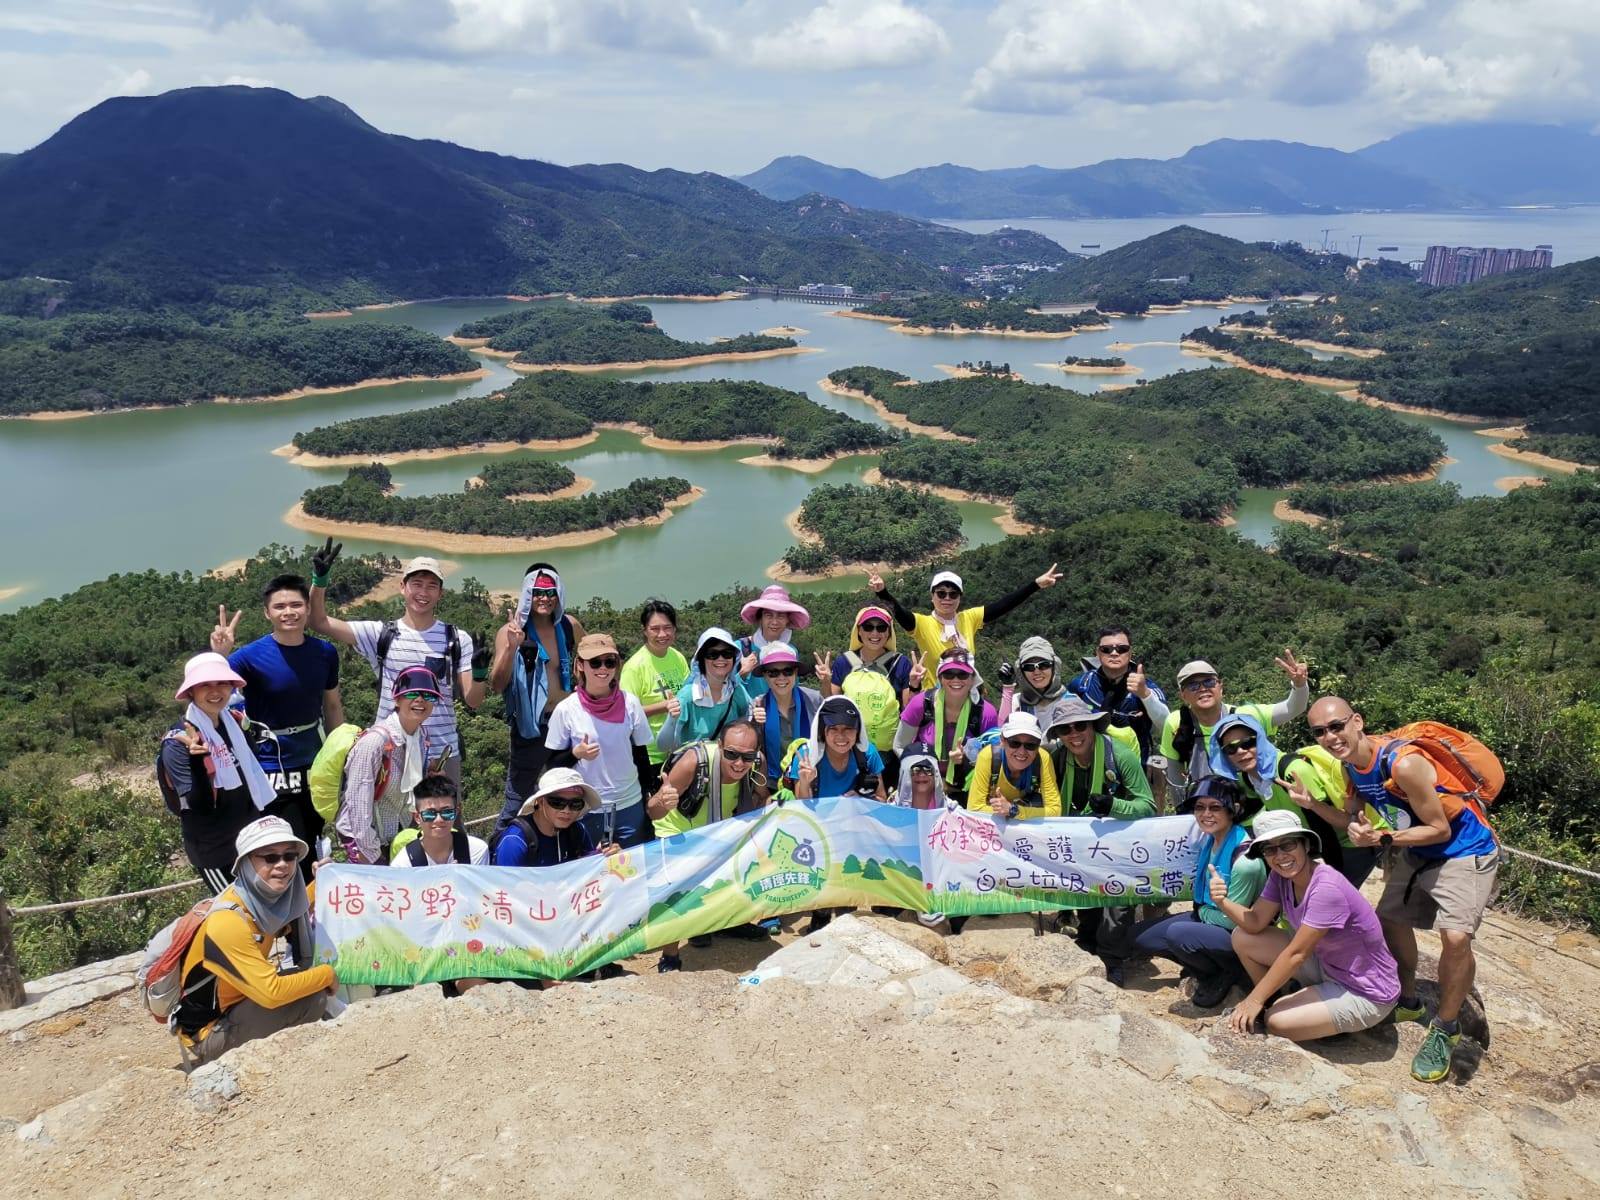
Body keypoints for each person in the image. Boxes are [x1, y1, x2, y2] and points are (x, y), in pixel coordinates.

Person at [1306, 695, 1499, 1083]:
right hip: (1417, 848)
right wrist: (1312, 805)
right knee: (1390, 920)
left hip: (1464, 850)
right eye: (1320, 732)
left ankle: (1446, 1028)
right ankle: (1408, 1001)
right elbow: (1353, 819)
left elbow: (1440, 828)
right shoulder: (1351, 768)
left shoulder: (1404, 764)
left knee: (1457, 938)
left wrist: (1382, 838)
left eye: (1336, 726)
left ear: (1356, 722)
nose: (1330, 737)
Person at [307, 543, 486, 789]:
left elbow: (474, 701)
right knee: (389, 823)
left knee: (445, 824)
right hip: (392, 749)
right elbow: (319, 622)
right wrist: (320, 580)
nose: (423, 592)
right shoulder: (381, 634)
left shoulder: (456, 638)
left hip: (441, 753)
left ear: (441, 594)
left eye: (432, 586)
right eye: (417, 584)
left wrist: (479, 674)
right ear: (402, 587)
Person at [1214, 810, 1401, 1044]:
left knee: (1277, 1023)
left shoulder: (1326, 888)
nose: (1280, 855)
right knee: (1243, 937)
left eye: (1287, 845)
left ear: (1305, 844)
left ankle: (1316, 1020)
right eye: (1270, 849)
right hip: (1326, 963)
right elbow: (1254, 922)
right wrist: (1222, 902)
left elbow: (1297, 954)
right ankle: (1278, 1000)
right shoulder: (1281, 876)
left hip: (1365, 990)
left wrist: (1253, 1000)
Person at [174, 816, 338, 1065]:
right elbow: (271, 993)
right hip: (209, 1034)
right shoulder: (227, 923)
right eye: (270, 857)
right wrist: (326, 975)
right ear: (246, 864)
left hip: (239, 1003)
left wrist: (322, 881)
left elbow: (290, 912)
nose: (282, 865)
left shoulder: (258, 903)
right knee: (312, 997)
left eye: (289, 856)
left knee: (301, 981)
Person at [209, 575, 344, 871]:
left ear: (308, 609)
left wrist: (342, 754)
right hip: (268, 766)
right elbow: (208, 694)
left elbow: (332, 705)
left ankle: (310, 909)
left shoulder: (325, 653)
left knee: (314, 837)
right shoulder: (248, 657)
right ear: (267, 613)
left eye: (296, 604)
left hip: (315, 762)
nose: (288, 612)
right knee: (280, 847)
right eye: (279, 606)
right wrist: (220, 656)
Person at [1036, 694, 1156, 984]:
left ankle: (1113, 960)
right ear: (1059, 735)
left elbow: (1148, 806)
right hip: (1079, 842)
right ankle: (1088, 943)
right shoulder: (1058, 759)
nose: (1074, 734)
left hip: (1119, 842)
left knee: (1116, 903)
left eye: (1080, 726)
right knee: (1084, 896)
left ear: (1092, 726)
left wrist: (1113, 806)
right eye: (1066, 729)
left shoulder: (1121, 755)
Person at [1121, 776, 1266, 1009]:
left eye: (1215, 807)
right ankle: (1204, 963)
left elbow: (1235, 922)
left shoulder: (1245, 861)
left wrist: (1202, 914)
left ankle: (1224, 973)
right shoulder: (1211, 839)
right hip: (1207, 914)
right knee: (1140, 937)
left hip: (1237, 932)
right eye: (1200, 807)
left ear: (1234, 810)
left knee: (1180, 934)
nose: (1205, 814)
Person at [647, 720, 771, 971]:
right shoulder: (693, 762)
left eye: (747, 756)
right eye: (732, 754)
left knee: (733, 876)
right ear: (720, 746)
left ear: (756, 752)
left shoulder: (757, 763)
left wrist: (769, 804)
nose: (739, 763)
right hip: (678, 829)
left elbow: (761, 795)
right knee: (677, 892)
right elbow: (653, 812)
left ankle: (722, 925)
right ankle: (670, 956)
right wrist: (664, 800)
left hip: (718, 827)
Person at [159, 652, 283, 895]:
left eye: (222, 683)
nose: (215, 691)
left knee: (263, 909)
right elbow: (199, 806)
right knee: (237, 913)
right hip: (215, 852)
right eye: (204, 684)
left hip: (249, 839)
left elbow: (250, 776)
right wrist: (198, 761)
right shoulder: (178, 743)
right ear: (191, 691)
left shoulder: (233, 723)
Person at [488, 562, 586, 833]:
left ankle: (567, 850)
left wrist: (590, 690)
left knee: (570, 794)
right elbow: (497, 684)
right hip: (532, 727)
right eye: (538, 593)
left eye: (550, 592)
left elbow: (595, 653)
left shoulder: (568, 626)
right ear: (527, 594)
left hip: (567, 723)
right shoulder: (511, 631)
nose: (545, 599)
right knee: (517, 800)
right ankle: (500, 855)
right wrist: (511, 648)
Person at [544, 632, 654, 849]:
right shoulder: (566, 710)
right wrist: (576, 754)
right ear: (581, 665)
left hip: (629, 804)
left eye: (609, 662)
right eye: (595, 662)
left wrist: (649, 794)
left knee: (632, 870)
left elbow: (641, 755)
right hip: (587, 808)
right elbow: (551, 765)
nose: (603, 669)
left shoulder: (630, 704)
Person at [869, 564, 1063, 684]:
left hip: (968, 694)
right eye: (941, 593)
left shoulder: (968, 618)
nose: (947, 598)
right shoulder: (922, 624)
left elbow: (1005, 604)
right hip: (935, 697)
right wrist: (882, 592)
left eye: (953, 594)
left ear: (960, 597)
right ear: (932, 596)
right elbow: (900, 613)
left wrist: (1035, 584)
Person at [1159, 652, 1310, 803]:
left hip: (1253, 809)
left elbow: (1292, 708)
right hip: (1207, 811)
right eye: (1193, 686)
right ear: (1183, 696)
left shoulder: (1245, 717)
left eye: (1209, 682)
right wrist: (1184, 813)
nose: (1202, 688)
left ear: (1220, 687)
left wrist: (1299, 685)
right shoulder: (1177, 723)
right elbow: (1175, 778)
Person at [334, 665, 439, 865]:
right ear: (397, 698)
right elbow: (357, 805)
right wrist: (372, 856)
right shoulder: (374, 743)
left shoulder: (420, 737)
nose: (420, 700)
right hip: (363, 842)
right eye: (411, 694)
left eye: (429, 696)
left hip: (397, 836)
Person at [821, 605, 919, 776]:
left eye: (881, 628)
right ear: (859, 631)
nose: (875, 633)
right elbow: (831, 706)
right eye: (868, 627)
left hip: (888, 754)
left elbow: (908, 709)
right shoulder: (844, 662)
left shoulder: (900, 663)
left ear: (889, 632)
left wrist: (915, 684)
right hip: (848, 750)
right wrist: (825, 681)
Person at [892, 648, 998, 804]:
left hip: (965, 788)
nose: (956, 680)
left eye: (962, 674)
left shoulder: (985, 713)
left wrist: (965, 762)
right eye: (949, 674)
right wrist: (925, 771)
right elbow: (899, 745)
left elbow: (991, 759)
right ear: (940, 678)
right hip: (922, 785)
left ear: (972, 678)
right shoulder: (921, 704)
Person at [1068, 626, 1170, 763]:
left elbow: (1166, 725)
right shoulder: (1082, 685)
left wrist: (1145, 694)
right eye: (1106, 649)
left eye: (1122, 649)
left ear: (1130, 653)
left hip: (1135, 771)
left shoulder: (1146, 687)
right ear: (1097, 653)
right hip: (1091, 768)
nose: (1114, 653)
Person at [619, 598, 688, 794]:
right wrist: (664, 706)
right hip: (650, 755)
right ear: (644, 630)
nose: (662, 634)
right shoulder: (635, 667)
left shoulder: (677, 657)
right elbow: (626, 713)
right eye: (654, 629)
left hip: (680, 749)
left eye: (667, 628)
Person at [655, 627, 752, 755]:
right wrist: (671, 719)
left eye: (727, 653)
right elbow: (662, 746)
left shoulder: (736, 691)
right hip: (693, 770)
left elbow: (747, 723)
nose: (720, 659)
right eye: (713, 654)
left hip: (727, 769)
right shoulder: (689, 696)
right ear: (701, 659)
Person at [492, 767, 605, 867]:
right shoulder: (515, 841)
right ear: (540, 802)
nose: (566, 810)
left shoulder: (577, 831)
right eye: (557, 802)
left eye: (575, 804)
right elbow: (505, 886)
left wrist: (605, 858)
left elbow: (590, 868)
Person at [788, 695, 887, 801]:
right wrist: (804, 783)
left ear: (858, 731)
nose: (841, 736)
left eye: (848, 728)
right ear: (822, 731)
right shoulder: (806, 757)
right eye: (833, 728)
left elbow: (881, 798)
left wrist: (861, 800)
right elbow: (802, 807)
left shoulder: (868, 753)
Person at [750, 643, 820, 792]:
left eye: (787, 671)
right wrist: (754, 724)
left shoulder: (814, 700)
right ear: (765, 676)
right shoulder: (757, 706)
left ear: (795, 672)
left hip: (811, 779)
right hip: (771, 785)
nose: (781, 677)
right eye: (773, 672)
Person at [971, 713, 1062, 819]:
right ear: (1003, 741)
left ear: (1038, 746)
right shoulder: (988, 757)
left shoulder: (1043, 759)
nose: (1022, 752)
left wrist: (1013, 810)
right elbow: (974, 808)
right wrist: (1007, 810)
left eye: (1030, 745)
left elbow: (1055, 811)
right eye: (1014, 743)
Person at [389, 776, 489, 866]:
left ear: (456, 812)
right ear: (417, 817)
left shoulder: (476, 851)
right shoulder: (404, 863)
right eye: (429, 814)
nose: (439, 820)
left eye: (447, 812)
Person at [736, 584, 810, 697]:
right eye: (768, 615)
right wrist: (742, 673)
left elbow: (793, 689)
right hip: (749, 714)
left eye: (780, 616)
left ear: (787, 620)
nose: (774, 622)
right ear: (760, 619)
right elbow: (723, 691)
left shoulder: (790, 651)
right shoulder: (740, 648)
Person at [995, 635, 1069, 721]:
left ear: (1055, 666)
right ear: (1021, 671)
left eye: (1044, 665)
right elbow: (1003, 729)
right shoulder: (1016, 703)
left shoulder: (1071, 702)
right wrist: (1008, 687)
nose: (1037, 672)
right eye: (1028, 667)